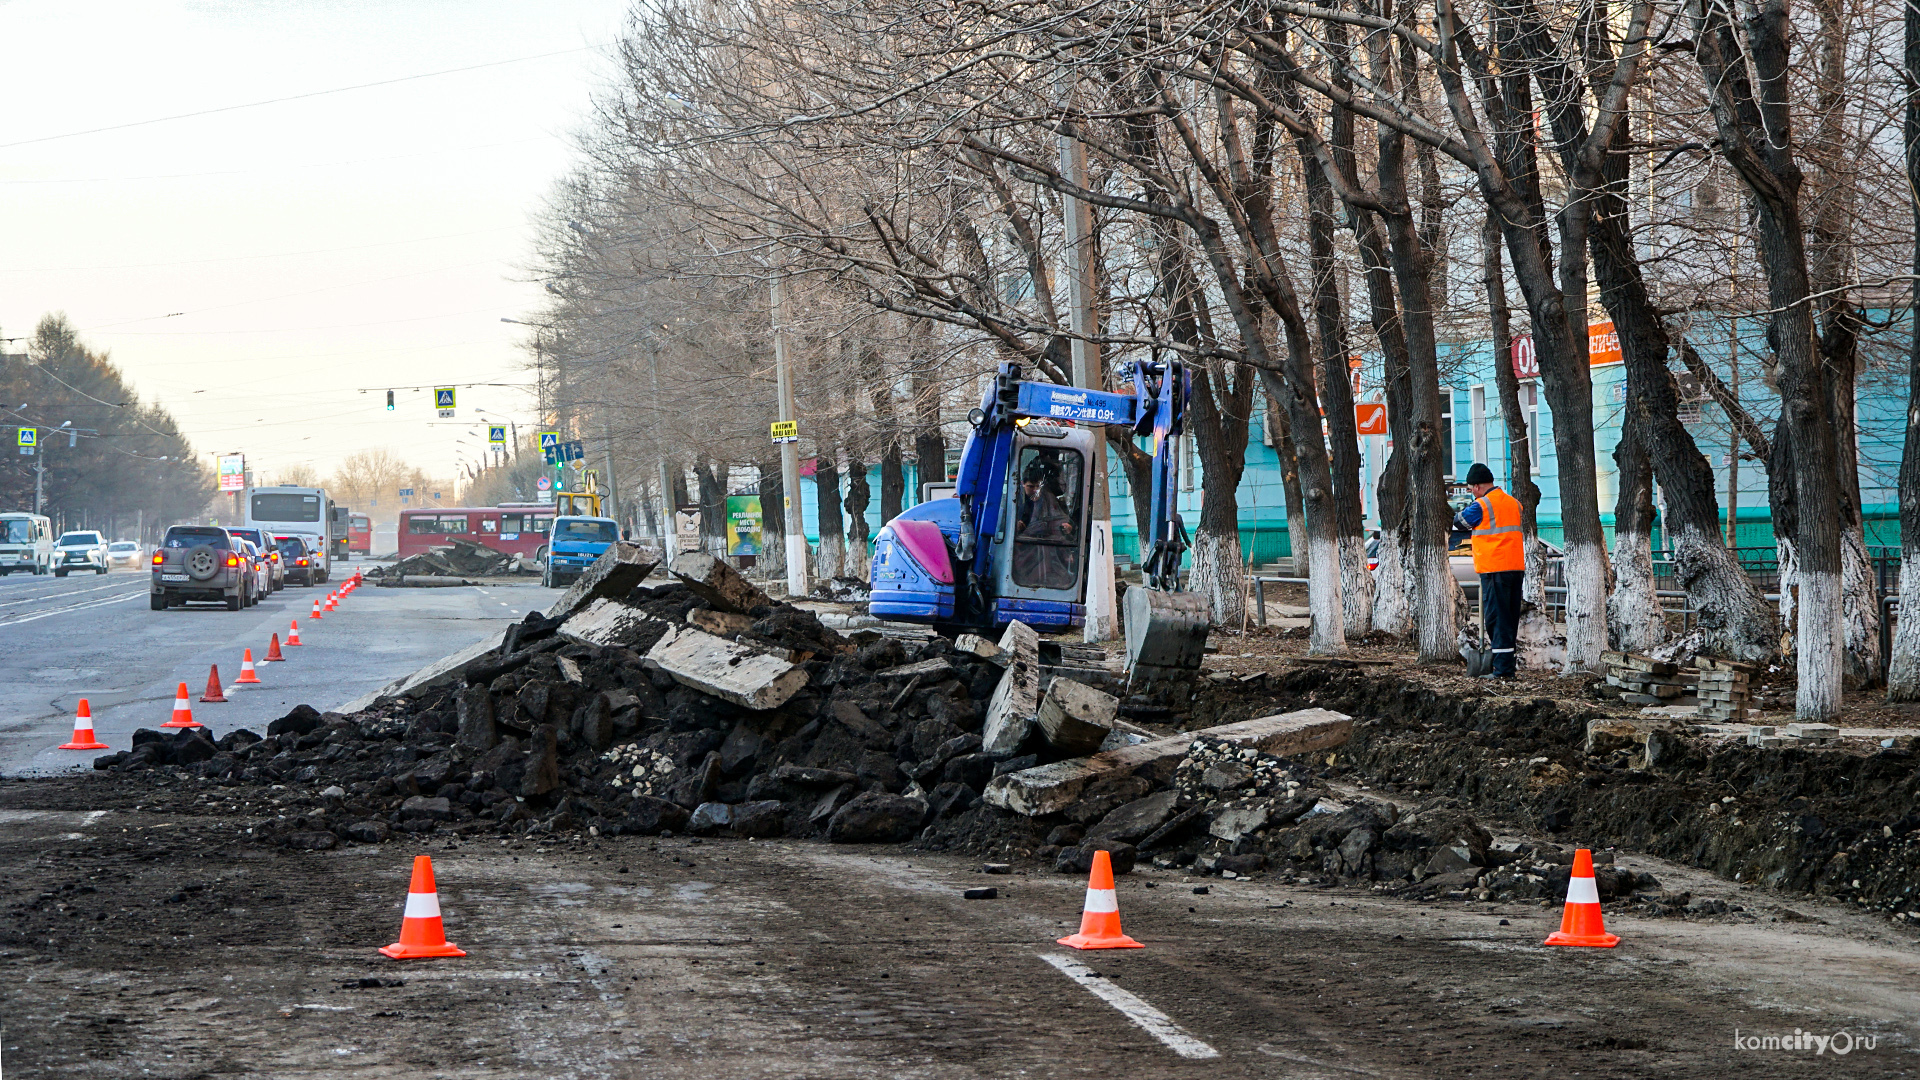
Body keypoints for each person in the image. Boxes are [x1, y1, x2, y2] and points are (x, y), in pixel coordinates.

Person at [1452, 462, 1526, 678]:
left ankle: (1502, 671)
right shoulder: (1514, 503)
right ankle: (1506, 665)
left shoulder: (1482, 505)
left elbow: (1460, 522)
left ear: (1476, 487)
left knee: (1496, 619)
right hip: (1515, 567)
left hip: (1495, 568)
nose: (1472, 493)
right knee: (1509, 618)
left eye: (1470, 489)